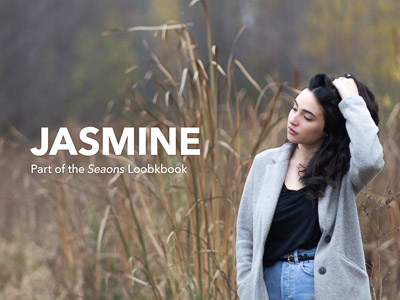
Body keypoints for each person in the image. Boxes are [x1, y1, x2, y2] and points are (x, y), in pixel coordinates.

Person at [235, 73, 384, 300]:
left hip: (320, 286)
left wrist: (351, 100)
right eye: (294, 109)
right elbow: (246, 237)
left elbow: (371, 159)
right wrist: (248, 289)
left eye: (307, 117)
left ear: (327, 128)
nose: (294, 119)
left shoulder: (343, 172)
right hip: (268, 285)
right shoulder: (265, 164)